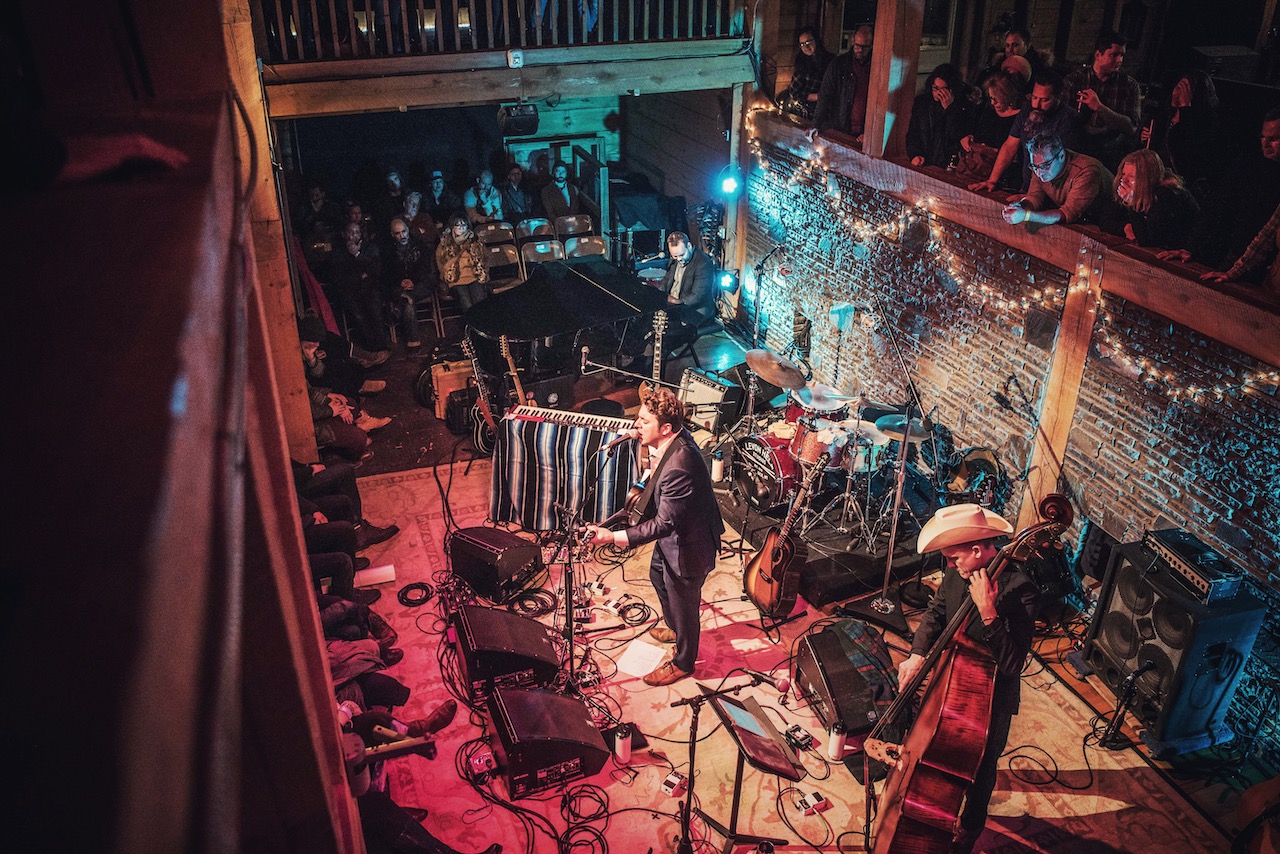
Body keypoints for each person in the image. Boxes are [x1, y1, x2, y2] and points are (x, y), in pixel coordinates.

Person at [896, 504, 1040, 854]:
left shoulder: (1021, 588)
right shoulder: (956, 573)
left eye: (953, 557)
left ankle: (970, 828)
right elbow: (935, 614)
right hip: (951, 677)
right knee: (931, 743)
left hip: (991, 697)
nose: (949, 565)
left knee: (982, 769)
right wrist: (917, 654)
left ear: (977, 550)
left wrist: (989, 613)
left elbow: (1013, 664)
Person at [585, 385, 724, 686]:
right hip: (675, 537)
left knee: (685, 604)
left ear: (665, 428)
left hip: (688, 545)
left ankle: (683, 661)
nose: (637, 424)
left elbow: (663, 524)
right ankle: (674, 629)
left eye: (645, 421)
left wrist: (611, 537)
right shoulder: (670, 442)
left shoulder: (680, 465)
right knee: (657, 575)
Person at [1159, 108, 1280, 271]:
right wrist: (1191, 247)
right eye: (1263, 137)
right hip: (1234, 252)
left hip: (1265, 264)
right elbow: (1216, 205)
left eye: (1273, 139)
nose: (1265, 144)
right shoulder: (1249, 164)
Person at [970, 71, 1082, 194]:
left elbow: (1058, 166)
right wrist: (992, 180)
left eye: (1044, 100)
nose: (1037, 104)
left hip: (1051, 194)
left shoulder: (1068, 119)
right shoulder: (1027, 109)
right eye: (1034, 97)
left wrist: (1034, 196)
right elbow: (1010, 146)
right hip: (1026, 187)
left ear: (1058, 97)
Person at [1064, 31, 1142, 170]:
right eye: (1114, 55)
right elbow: (1064, 119)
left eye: (1122, 55)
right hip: (1077, 149)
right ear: (1098, 55)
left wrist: (1099, 107)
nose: (1119, 60)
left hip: (1110, 153)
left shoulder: (1129, 85)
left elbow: (1131, 127)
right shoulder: (1075, 80)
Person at [1002, 132, 1113, 226]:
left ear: (1061, 156)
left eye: (1046, 166)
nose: (1039, 173)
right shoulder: (1039, 166)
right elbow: (1035, 198)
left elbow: (1067, 214)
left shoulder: (1086, 171)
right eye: (1035, 167)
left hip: (1106, 222)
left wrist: (1026, 216)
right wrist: (1020, 207)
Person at [1100, 149, 1200, 249]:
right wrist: (1124, 228)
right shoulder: (1127, 189)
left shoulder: (1166, 194)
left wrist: (1132, 204)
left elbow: (1146, 240)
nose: (1124, 180)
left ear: (1147, 178)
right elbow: (1104, 221)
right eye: (1123, 174)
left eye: (1131, 176)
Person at [1144, 70, 1221, 196]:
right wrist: (1148, 138)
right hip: (1157, 174)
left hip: (1180, 183)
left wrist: (1185, 109)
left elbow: (1186, 154)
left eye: (1184, 89)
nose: (1177, 92)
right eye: (1178, 87)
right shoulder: (1167, 116)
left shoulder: (1204, 124)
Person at [955, 71, 1027, 188]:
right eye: (991, 98)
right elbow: (978, 132)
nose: (993, 102)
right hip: (976, 168)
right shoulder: (989, 110)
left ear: (1007, 96)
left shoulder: (1021, 117)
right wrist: (969, 138)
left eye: (996, 99)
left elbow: (1012, 149)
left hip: (1004, 175)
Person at [906, 64, 978, 169]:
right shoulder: (922, 103)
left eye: (943, 90)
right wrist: (915, 154)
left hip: (950, 166)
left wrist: (950, 109)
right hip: (925, 162)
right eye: (935, 88)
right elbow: (913, 133)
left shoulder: (964, 106)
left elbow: (961, 136)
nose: (938, 93)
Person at [813, 25, 873, 143]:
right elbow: (825, 95)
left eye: (864, 47)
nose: (860, 50)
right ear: (853, 41)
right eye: (857, 46)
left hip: (864, 132)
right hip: (841, 127)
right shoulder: (839, 64)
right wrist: (816, 124)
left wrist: (869, 131)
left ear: (871, 45)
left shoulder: (876, 67)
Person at [383, 217, 433, 348]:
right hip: (399, 286)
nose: (402, 236)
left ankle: (400, 306)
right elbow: (386, 273)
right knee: (407, 303)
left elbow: (426, 268)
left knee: (407, 299)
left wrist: (413, 281)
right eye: (398, 233)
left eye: (404, 231)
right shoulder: (388, 250)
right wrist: (400, 282)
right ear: (392, 234)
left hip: (419, 284)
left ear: (408, 230)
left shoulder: (420, 245)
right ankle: (413, 340)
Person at [435, 214, 491, 311]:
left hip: (474, 277)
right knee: (467, 304)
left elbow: (485, 258)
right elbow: (440, 264)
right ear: (452, 227)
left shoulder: (475, 241)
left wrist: (482, 270)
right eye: (457, 225)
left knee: (480, 302)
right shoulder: (444, 244)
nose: (461, 228)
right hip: (455, 279)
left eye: (463, 225)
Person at [779, 26, 833, 121]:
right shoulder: (802, 64)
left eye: (808, 42)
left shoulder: (830, 61)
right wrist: (816, 96)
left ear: (816, 40)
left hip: (829, 109)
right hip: (808, 111)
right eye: (802, 44)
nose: (806, 47)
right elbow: (794, 93)